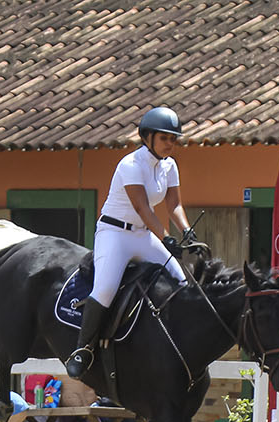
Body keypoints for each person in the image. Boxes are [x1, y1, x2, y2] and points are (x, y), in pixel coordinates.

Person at [67, 106, 193, 378]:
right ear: (147, 137)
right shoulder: (130, 165)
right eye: (165, 138)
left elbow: (174, 204)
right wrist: (167, 238)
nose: (170, 144)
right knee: (106, 289)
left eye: (173, 139)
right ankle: (83, 349)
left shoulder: (169, 166)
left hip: (142, 235)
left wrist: (186, 230)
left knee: (180, 281)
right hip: (115, 234)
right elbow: (143, 207)